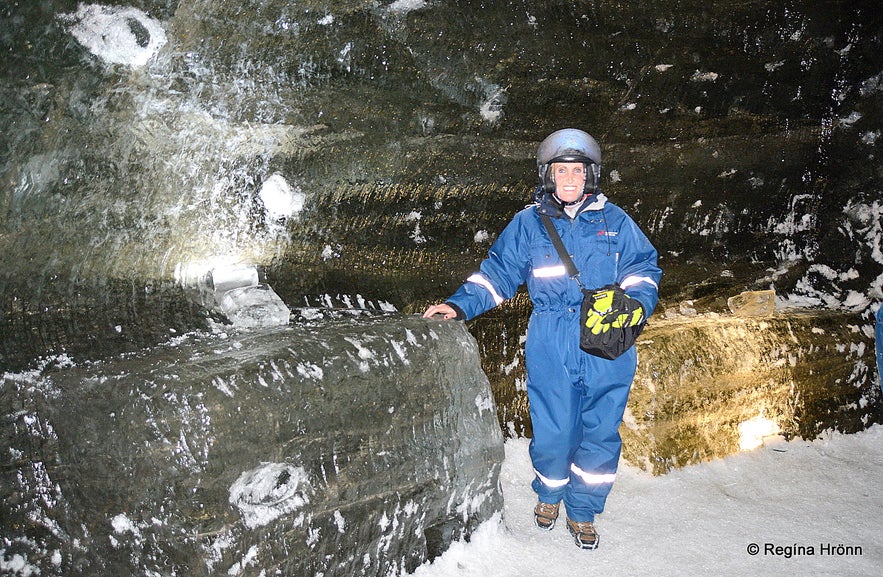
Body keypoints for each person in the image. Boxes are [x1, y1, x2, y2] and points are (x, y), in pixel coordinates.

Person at [423, 128, 662, 550]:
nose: (570, 179)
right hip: (551, 336)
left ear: (592, 175)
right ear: (547, 175)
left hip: (607, 338)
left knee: (601, 431)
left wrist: (636, 305)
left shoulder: (615, 220)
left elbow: (645, 268)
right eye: (561, 170)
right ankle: (550, 494)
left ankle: (584, 509)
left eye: (578, 171)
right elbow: (497, 274)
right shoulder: (528, 224)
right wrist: (458, 305)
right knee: (554, 430)